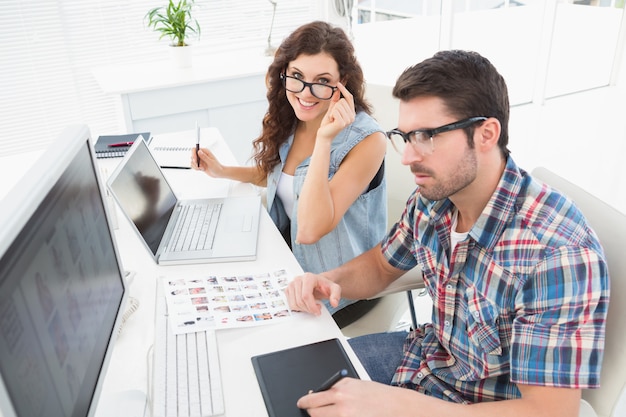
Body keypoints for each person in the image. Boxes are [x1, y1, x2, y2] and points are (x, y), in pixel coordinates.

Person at [285, 49, 610, 417]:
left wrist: (396, 406)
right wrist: (326, 280)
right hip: (428, 359)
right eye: (404, 136)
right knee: (292, 390)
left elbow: (550, 412)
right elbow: (380, 265)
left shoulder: (556, 253)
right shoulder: (435, 197)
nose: (407, 157)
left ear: (486, 134)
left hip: (483, 404)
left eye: (426, 135)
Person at [192, 21, 388, 326]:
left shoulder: (368, 140)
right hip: (290, 266)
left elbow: (311, 229)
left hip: (338, 289)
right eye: (296, 77)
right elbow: (283, 178)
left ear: (342, 82)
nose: (305, 93)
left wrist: (324, 140)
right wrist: (222, 171)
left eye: (321, 80)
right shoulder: (291, 117)